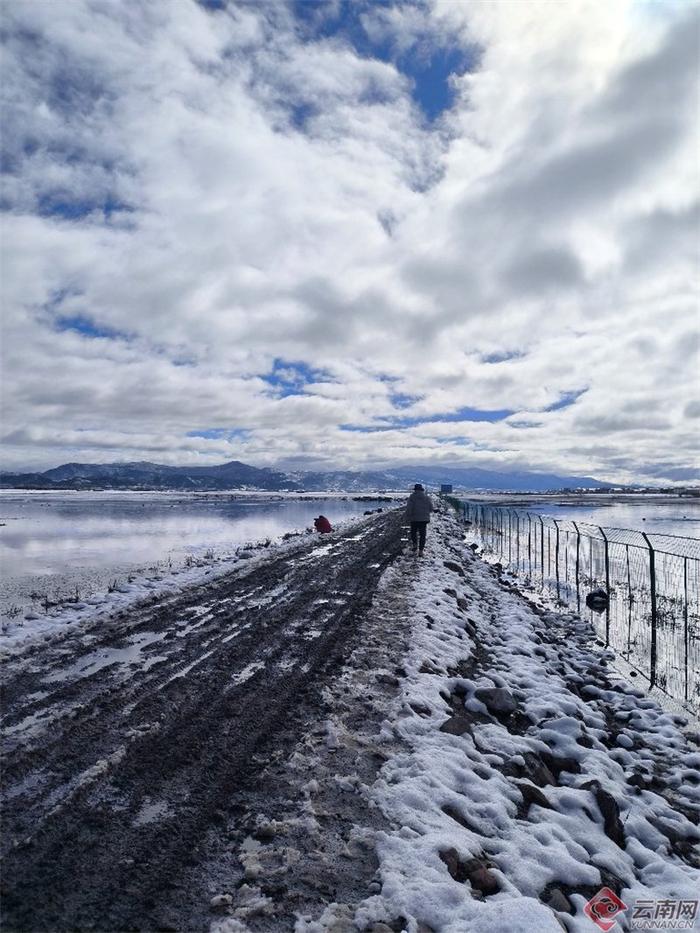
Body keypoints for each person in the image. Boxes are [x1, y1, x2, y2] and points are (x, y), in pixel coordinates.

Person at [405, 483, 433, 555]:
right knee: (422, 535)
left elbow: (409, 508)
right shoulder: (427, 497)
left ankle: (415, 546)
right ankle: (421, 551)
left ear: (415, 490)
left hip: (414, 519)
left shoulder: (412, 497)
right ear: (421, 490)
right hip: (424, 519)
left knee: (413, 532)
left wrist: (408, 515)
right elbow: (431, 509)